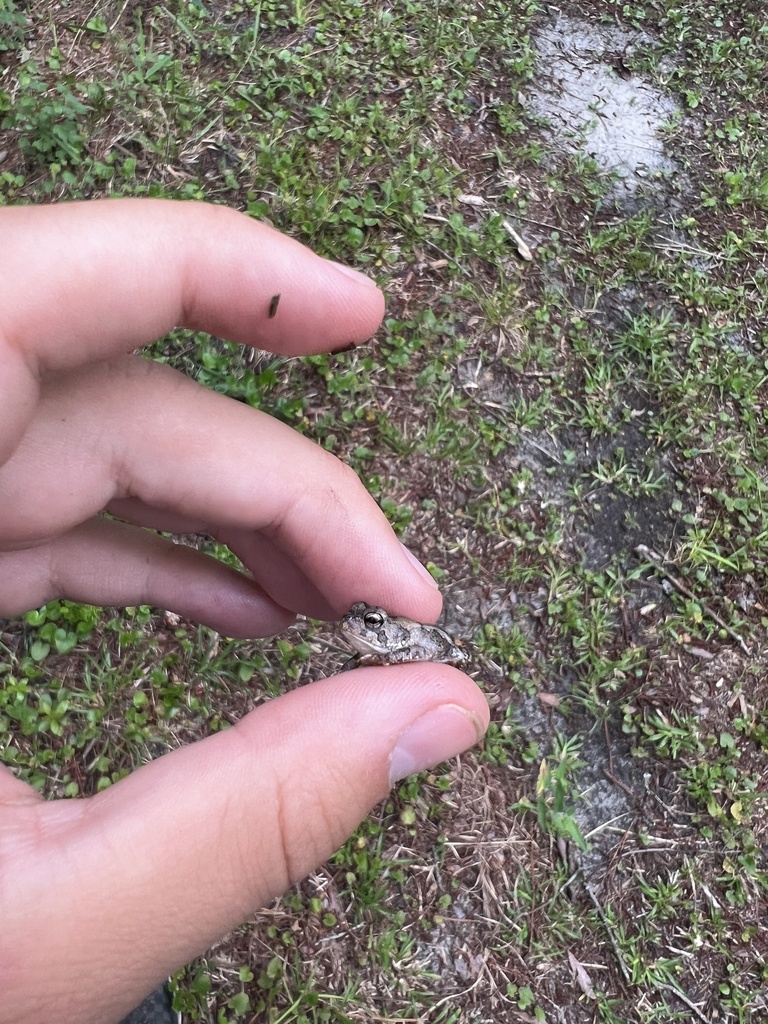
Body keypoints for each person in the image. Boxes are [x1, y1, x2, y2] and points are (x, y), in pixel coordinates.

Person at [0, 200, 489, 1024]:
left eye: (369, 624)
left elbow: (406, 633)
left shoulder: (392, 635)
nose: (362, 624)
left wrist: (397, 643)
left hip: (419, 648)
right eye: (364, 623)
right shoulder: (365, 625)